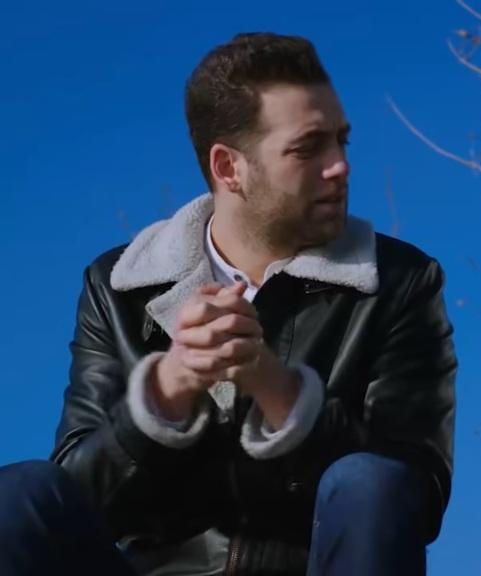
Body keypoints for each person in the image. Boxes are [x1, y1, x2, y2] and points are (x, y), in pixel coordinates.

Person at [0, 32, 455, 576]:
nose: (340, 166)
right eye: (308, 148)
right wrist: (166, 391)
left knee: (370, 478)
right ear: (228, 168)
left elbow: (415, 492)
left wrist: (279, 390)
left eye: (341, 141)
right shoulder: (119, 286)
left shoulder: (400, 281)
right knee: (19, 492)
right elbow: (76, 497)